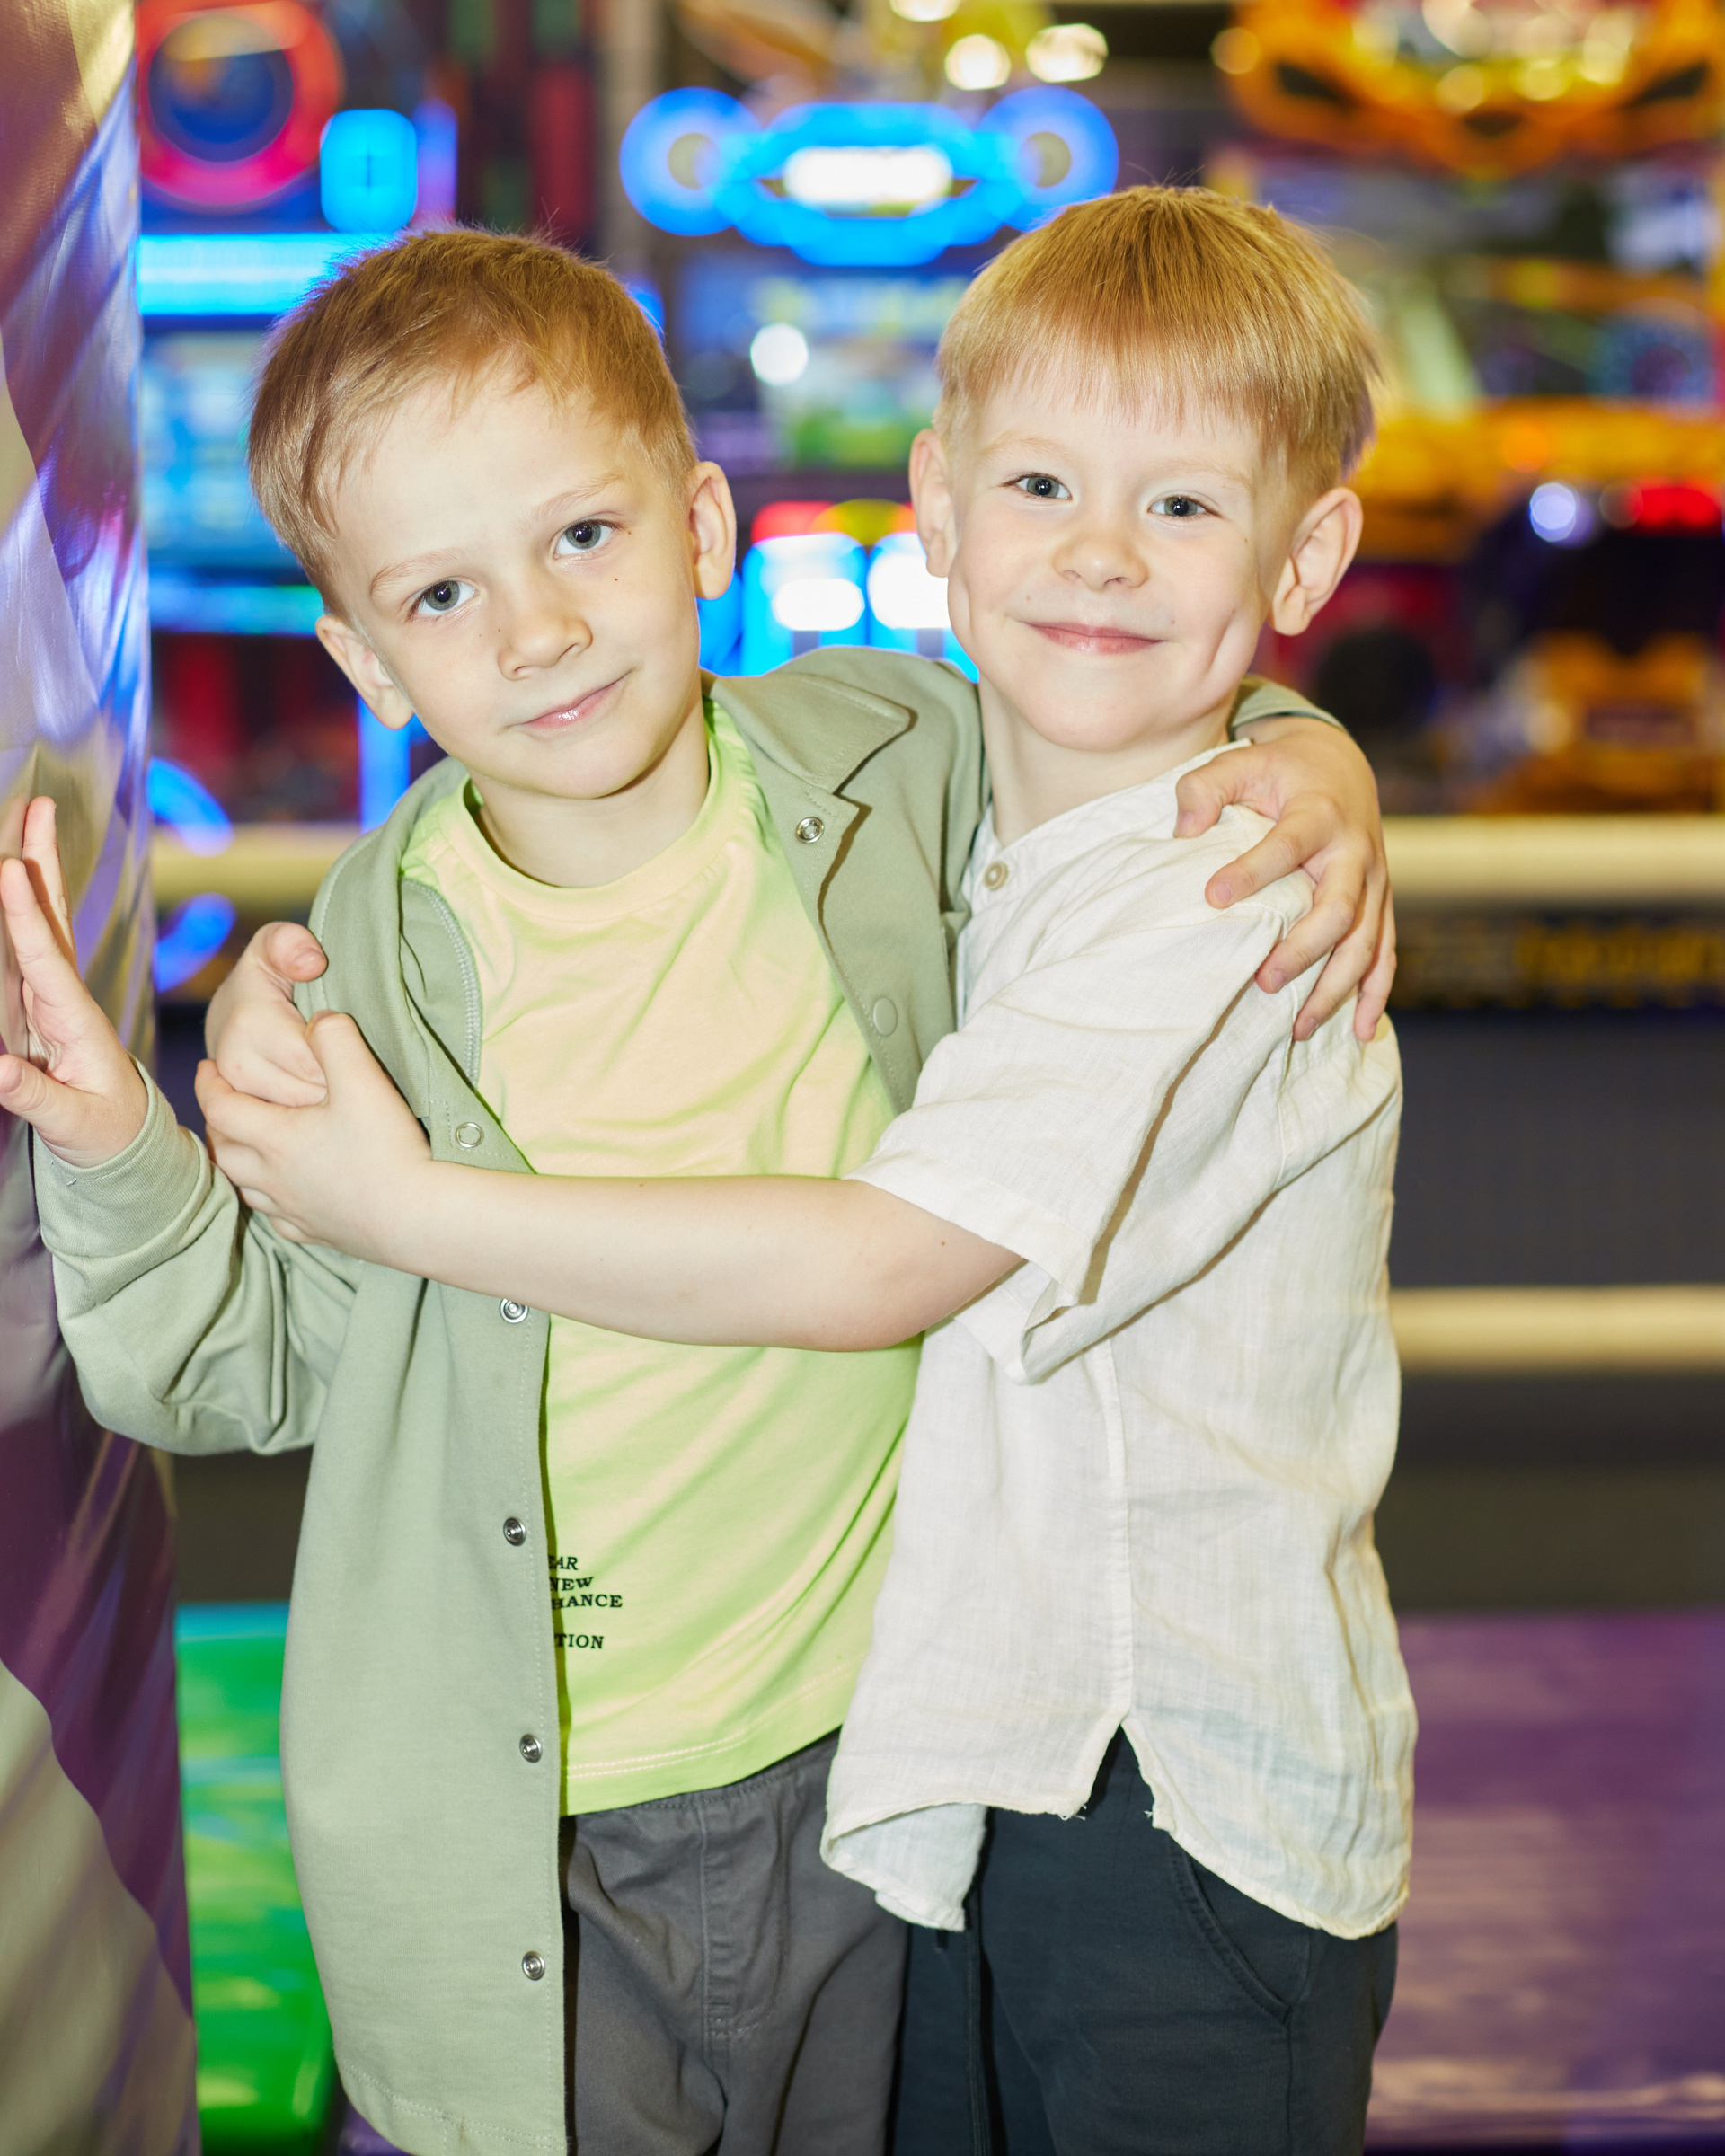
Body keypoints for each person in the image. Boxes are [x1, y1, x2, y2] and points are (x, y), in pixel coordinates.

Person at [0, 217, 1392, 2156]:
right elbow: (236, 1369)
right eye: (442, 591)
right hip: (537, 1815)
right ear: (363, 655)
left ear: (704, 524)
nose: (539, 631)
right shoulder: (372, 959)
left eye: (583, 536)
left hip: (878, 1764)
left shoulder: (888, 766)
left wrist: (1309, 755)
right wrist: (113, 1149)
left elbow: (1130, 703)